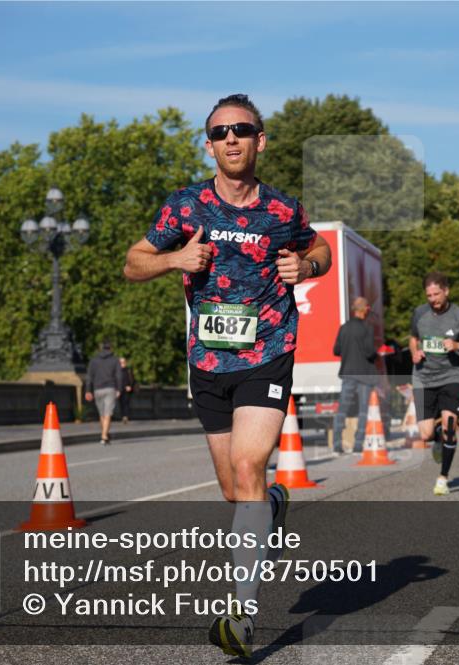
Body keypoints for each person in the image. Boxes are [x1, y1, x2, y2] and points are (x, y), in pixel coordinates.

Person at [123, 93, 331, 659]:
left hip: (267, 351)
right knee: (236, 491)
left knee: (247, 466)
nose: (230, 139)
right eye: (219, 133)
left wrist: (306, 265)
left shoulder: (283, 210)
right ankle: (274, 503)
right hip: (208, 361)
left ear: (260, 140)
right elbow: (132, 261)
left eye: (241, 130)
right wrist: (173, 261)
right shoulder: (186, 207)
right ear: (209, 143)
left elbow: (320, 247)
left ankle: (240, 615)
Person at [409, 272, 459, 497]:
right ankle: (437, 435)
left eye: (437, 294)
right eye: (429, 295)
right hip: (423, 377)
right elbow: (413, 338)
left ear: (446, 291)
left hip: (451, 376)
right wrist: (415, 352)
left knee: (451, 427)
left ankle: (443, 478)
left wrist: (458, 345)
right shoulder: (419, 313)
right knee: (426, 434)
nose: (433, 299)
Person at [331, 297, 379, 455]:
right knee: (363, 410)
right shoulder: (367, 328)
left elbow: (336, 350)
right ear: (364, 309)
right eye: (368, 308)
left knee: (342, 409)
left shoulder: (343, 328)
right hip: (364, 374)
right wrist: (378, 354)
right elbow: (369, 352)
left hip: (347, 373)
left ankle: (337, 444)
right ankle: (358, 446)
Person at [85, 340, 123, 445]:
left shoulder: (93, 360)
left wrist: (88, 390)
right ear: (111, 348)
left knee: (102, 414)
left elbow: (89, 376)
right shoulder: (115, 360)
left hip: (97, 389)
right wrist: (119, 389)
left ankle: (104, 433)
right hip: (110, 388)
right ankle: (104, 435)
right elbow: (119, 376)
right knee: (108, 413)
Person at [119, 357, 136, 424]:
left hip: (127, 389)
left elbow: (132, 379)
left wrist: (130, 386)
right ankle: (123, 416)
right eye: (121, 362)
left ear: (125, 363)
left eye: (123, 362)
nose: (122, 364)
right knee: (121, 403)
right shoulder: (117, 370)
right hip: (120, 389)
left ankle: (125, 417)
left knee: (126, 403)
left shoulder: (128, 370)